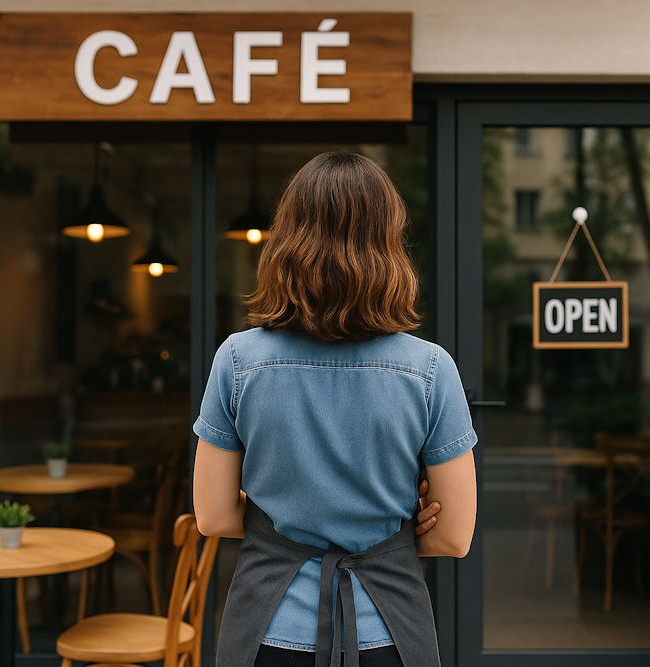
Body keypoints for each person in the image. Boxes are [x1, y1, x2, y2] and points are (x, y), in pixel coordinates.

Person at [193, 152, 477, 667]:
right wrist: (396, 528)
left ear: (287, 240)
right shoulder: (430, 368)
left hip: (267, 629)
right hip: (388, 630)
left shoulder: (237, 360)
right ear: (388, 243)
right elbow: (454, 536)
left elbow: (212, 516)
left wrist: (278, 512)